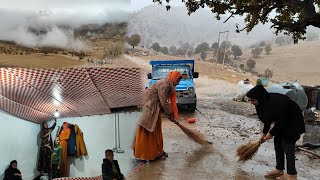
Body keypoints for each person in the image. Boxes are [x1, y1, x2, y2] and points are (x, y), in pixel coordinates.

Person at [246, 85, 305, 180]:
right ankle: (279, 169)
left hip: (293, 122)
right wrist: (264, 133)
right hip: (283, 122)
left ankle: (291, 174)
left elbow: (283, 120)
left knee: (288, 147)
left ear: (259, 98)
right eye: (250, 100)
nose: (251, 102)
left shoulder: (274, 103)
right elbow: (267, 119)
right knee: (277, 144)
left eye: (253, 100)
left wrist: (271, 133)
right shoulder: (261, 103)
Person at [133, 70, 182, 161]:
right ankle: (145, 155)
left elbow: (164, 101)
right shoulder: (165, 84)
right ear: (173, 78)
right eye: (177, 81)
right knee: (147, 130)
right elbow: (164, 101)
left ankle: (157, 152)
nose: (178, 83)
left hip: (154, 108)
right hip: (149, 108)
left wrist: (168, 112)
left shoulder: (168, 84)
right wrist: (169, 112)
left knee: (156, 129)